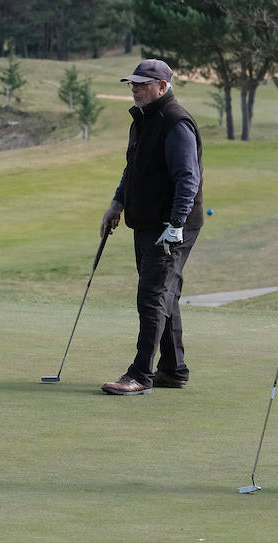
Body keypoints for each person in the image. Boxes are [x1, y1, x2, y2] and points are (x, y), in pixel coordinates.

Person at [98, 58, 204, 396]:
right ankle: (173, 370)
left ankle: (141, 374)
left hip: (171, 226)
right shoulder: (143, 120)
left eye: (143, 84)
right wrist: (118, 202)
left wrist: (175, 225)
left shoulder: (175, 123)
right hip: (147, 223)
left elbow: (188, 179)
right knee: (165, 296)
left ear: (162, 87)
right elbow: (133, 168)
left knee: (151, 296)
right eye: (133, 83)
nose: (135, 89)